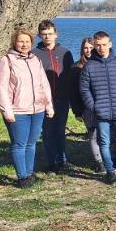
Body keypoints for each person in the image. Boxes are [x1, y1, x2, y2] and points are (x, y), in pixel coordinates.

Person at [0, 29, 54, 188]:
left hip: (37, 110)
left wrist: (48, 105)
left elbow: (44, 84)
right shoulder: (6, 61)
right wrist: (7, 111)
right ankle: (22, 177)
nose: (24, 44)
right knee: (19, 144)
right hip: (18, 111)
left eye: (27, 41)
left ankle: (29, 174)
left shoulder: (35, 60)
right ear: (14, 42)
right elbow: (1, 87)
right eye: (21, 41)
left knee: (31, 143)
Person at [80, 31, 116, 184]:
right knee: (104, 142)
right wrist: (93, 106)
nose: (101, 48)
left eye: (104, 44)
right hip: (100, 112)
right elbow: (84, 89)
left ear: (110, 44)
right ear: (94, 46)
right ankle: (110, 171)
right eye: (98, 45)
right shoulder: (89, 66)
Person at [33, 20, 73, 173]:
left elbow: (69, 77)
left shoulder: (65, 53)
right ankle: (51, 163)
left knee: (60, 130)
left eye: (50, 34)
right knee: (48, 132)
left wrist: (70, 99)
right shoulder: (35, 54)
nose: (47, 37)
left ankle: (62, 160)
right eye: (44, 34)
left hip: (62, 99)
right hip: (44, 101)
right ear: (39, 36)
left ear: (56, 34)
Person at [68, 37, 104, 173]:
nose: (88, 50)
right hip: (86, 108)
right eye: (86, 48)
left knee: (104, 134)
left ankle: (106, 158)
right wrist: (77, 111)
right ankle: (99, 162)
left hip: (103, 106)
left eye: (91, 47)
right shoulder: (76, 67)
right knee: (93, 134)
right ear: (82, 49)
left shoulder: (101, 63)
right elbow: (73, 92)